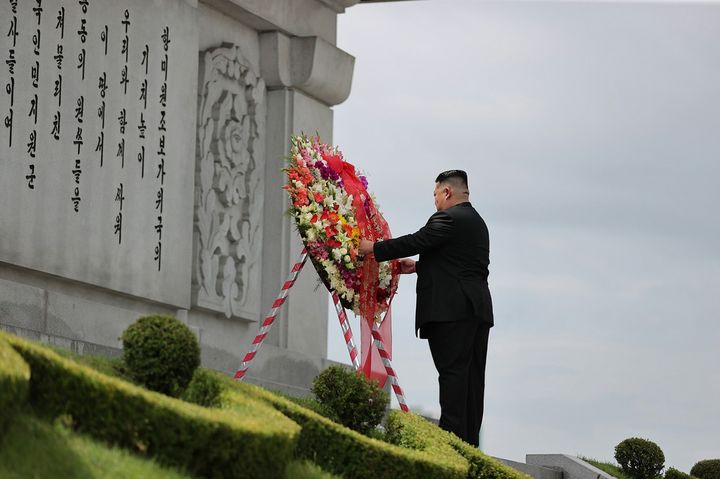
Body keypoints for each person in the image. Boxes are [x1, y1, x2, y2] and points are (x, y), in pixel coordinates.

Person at [358, 169, 493, 447]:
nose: (434, 202)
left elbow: (418, 240)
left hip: (452, 312)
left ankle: (451, 445)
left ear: (447, 192)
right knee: (471, 383)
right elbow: (459, 264)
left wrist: (373, 247)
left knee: (453, 380)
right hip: (476, 311)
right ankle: (468, 446)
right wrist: (420, 266)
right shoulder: (477, 222)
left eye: (435, 195)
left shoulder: (448, 218)